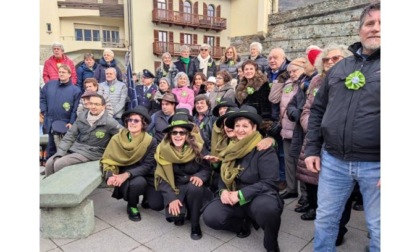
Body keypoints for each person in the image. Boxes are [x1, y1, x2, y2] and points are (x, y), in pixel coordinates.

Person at [304, 2, 380, 251]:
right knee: (325, 220)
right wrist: (313, 149)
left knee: (381, 228)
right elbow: (317, 110)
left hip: (377, 165)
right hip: (334, 160)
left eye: (382, 24)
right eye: (370, 23)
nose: (376, 28)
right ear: (360, 30)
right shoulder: (339, 68)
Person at [202, 105, 283, 252]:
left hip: (257, 196)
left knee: (268, 209)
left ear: (254, 128)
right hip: (234, 196)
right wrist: (223, 192)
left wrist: (240, 195)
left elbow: (270, 182)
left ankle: (271, 243)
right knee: (210, 216)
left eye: (245, 126)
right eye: (237, 125)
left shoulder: (263, 148)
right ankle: (243, 225)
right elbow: (223, 175)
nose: (240, 129)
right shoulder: (231, 147)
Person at [297, 44, 352, 247]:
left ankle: (340, 228)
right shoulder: (316, 81)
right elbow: (308, 110)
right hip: (315, 139)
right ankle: (319, 215)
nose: (330, 62)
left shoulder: (352, 79)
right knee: (312, 179)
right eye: (327, 59)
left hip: (340, 144)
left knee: (340, 191)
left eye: (335, 59)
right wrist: (314, 129)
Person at [154, 111, 211, 240]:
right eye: (174, 132)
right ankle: (183, 209)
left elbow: (207, 168)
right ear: (170, 135)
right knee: (175, 217)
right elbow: (161, 178)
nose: (178, 135)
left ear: (187, 135)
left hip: (193, 187)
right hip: (176, 187)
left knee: (195, 187)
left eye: (182, 132)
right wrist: (171, 198)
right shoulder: (162, 150)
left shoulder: (198, 147)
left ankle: (195, 223)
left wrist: (200, 176)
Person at [101, 105, 164, 222]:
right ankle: (132, 205)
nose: (132, 123)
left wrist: (125, 175)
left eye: (136, 120)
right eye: (130, 120)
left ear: (143, 123)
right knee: (138, 183)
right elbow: (109, 159)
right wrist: (110, 175)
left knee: (157, 205)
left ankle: (146, 196)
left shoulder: (151, 141)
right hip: (128, 173)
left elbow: (146, 166)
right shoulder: (116, 138)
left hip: (145, 173)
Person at [45, 94, 122, 177]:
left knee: (59, 164)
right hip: (77, 148)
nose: (93, 106)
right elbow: (70, 136)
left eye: (97, 104)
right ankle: (49, 184)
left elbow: (125, 135)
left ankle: (62, 186)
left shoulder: (110, 122)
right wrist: (60, 153)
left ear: (103, 106)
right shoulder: (82, 117)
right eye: (91, 103)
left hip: (93, 153)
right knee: (50, 162)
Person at [269, 57, 306, 201]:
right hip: (286, 127)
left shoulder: (305, 83)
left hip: (299, 128)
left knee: (301, 164)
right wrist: (280, 79)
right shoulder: (288, 82)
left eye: (294, 70)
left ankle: (305, 194)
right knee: (289, 162)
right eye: (289, 71)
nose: (291, 74)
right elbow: (273, 98)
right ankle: (291, 189)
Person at [40, 64, 82, 160]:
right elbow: (42, 98)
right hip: (50, 121)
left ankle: (60, 169)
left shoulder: (75, 90)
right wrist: (44, 110)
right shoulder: (49, 85)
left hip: (64, 123)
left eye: (64, 72)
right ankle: (48, 169)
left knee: (63, 149)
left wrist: (71, 122)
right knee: (50, 147)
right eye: (60, 72)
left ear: (69, 74)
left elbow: (75, 109)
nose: (61, 74)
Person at [266, 47, 291, 192]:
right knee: (272, 151)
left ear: (283, 58)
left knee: (282, 152)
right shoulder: (269, 73)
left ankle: (283, 179)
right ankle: (274, 177)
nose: (272, 60)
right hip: (270, 117)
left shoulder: (287, 73)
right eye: (270, 58)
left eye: (275, 58)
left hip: (282, 118)